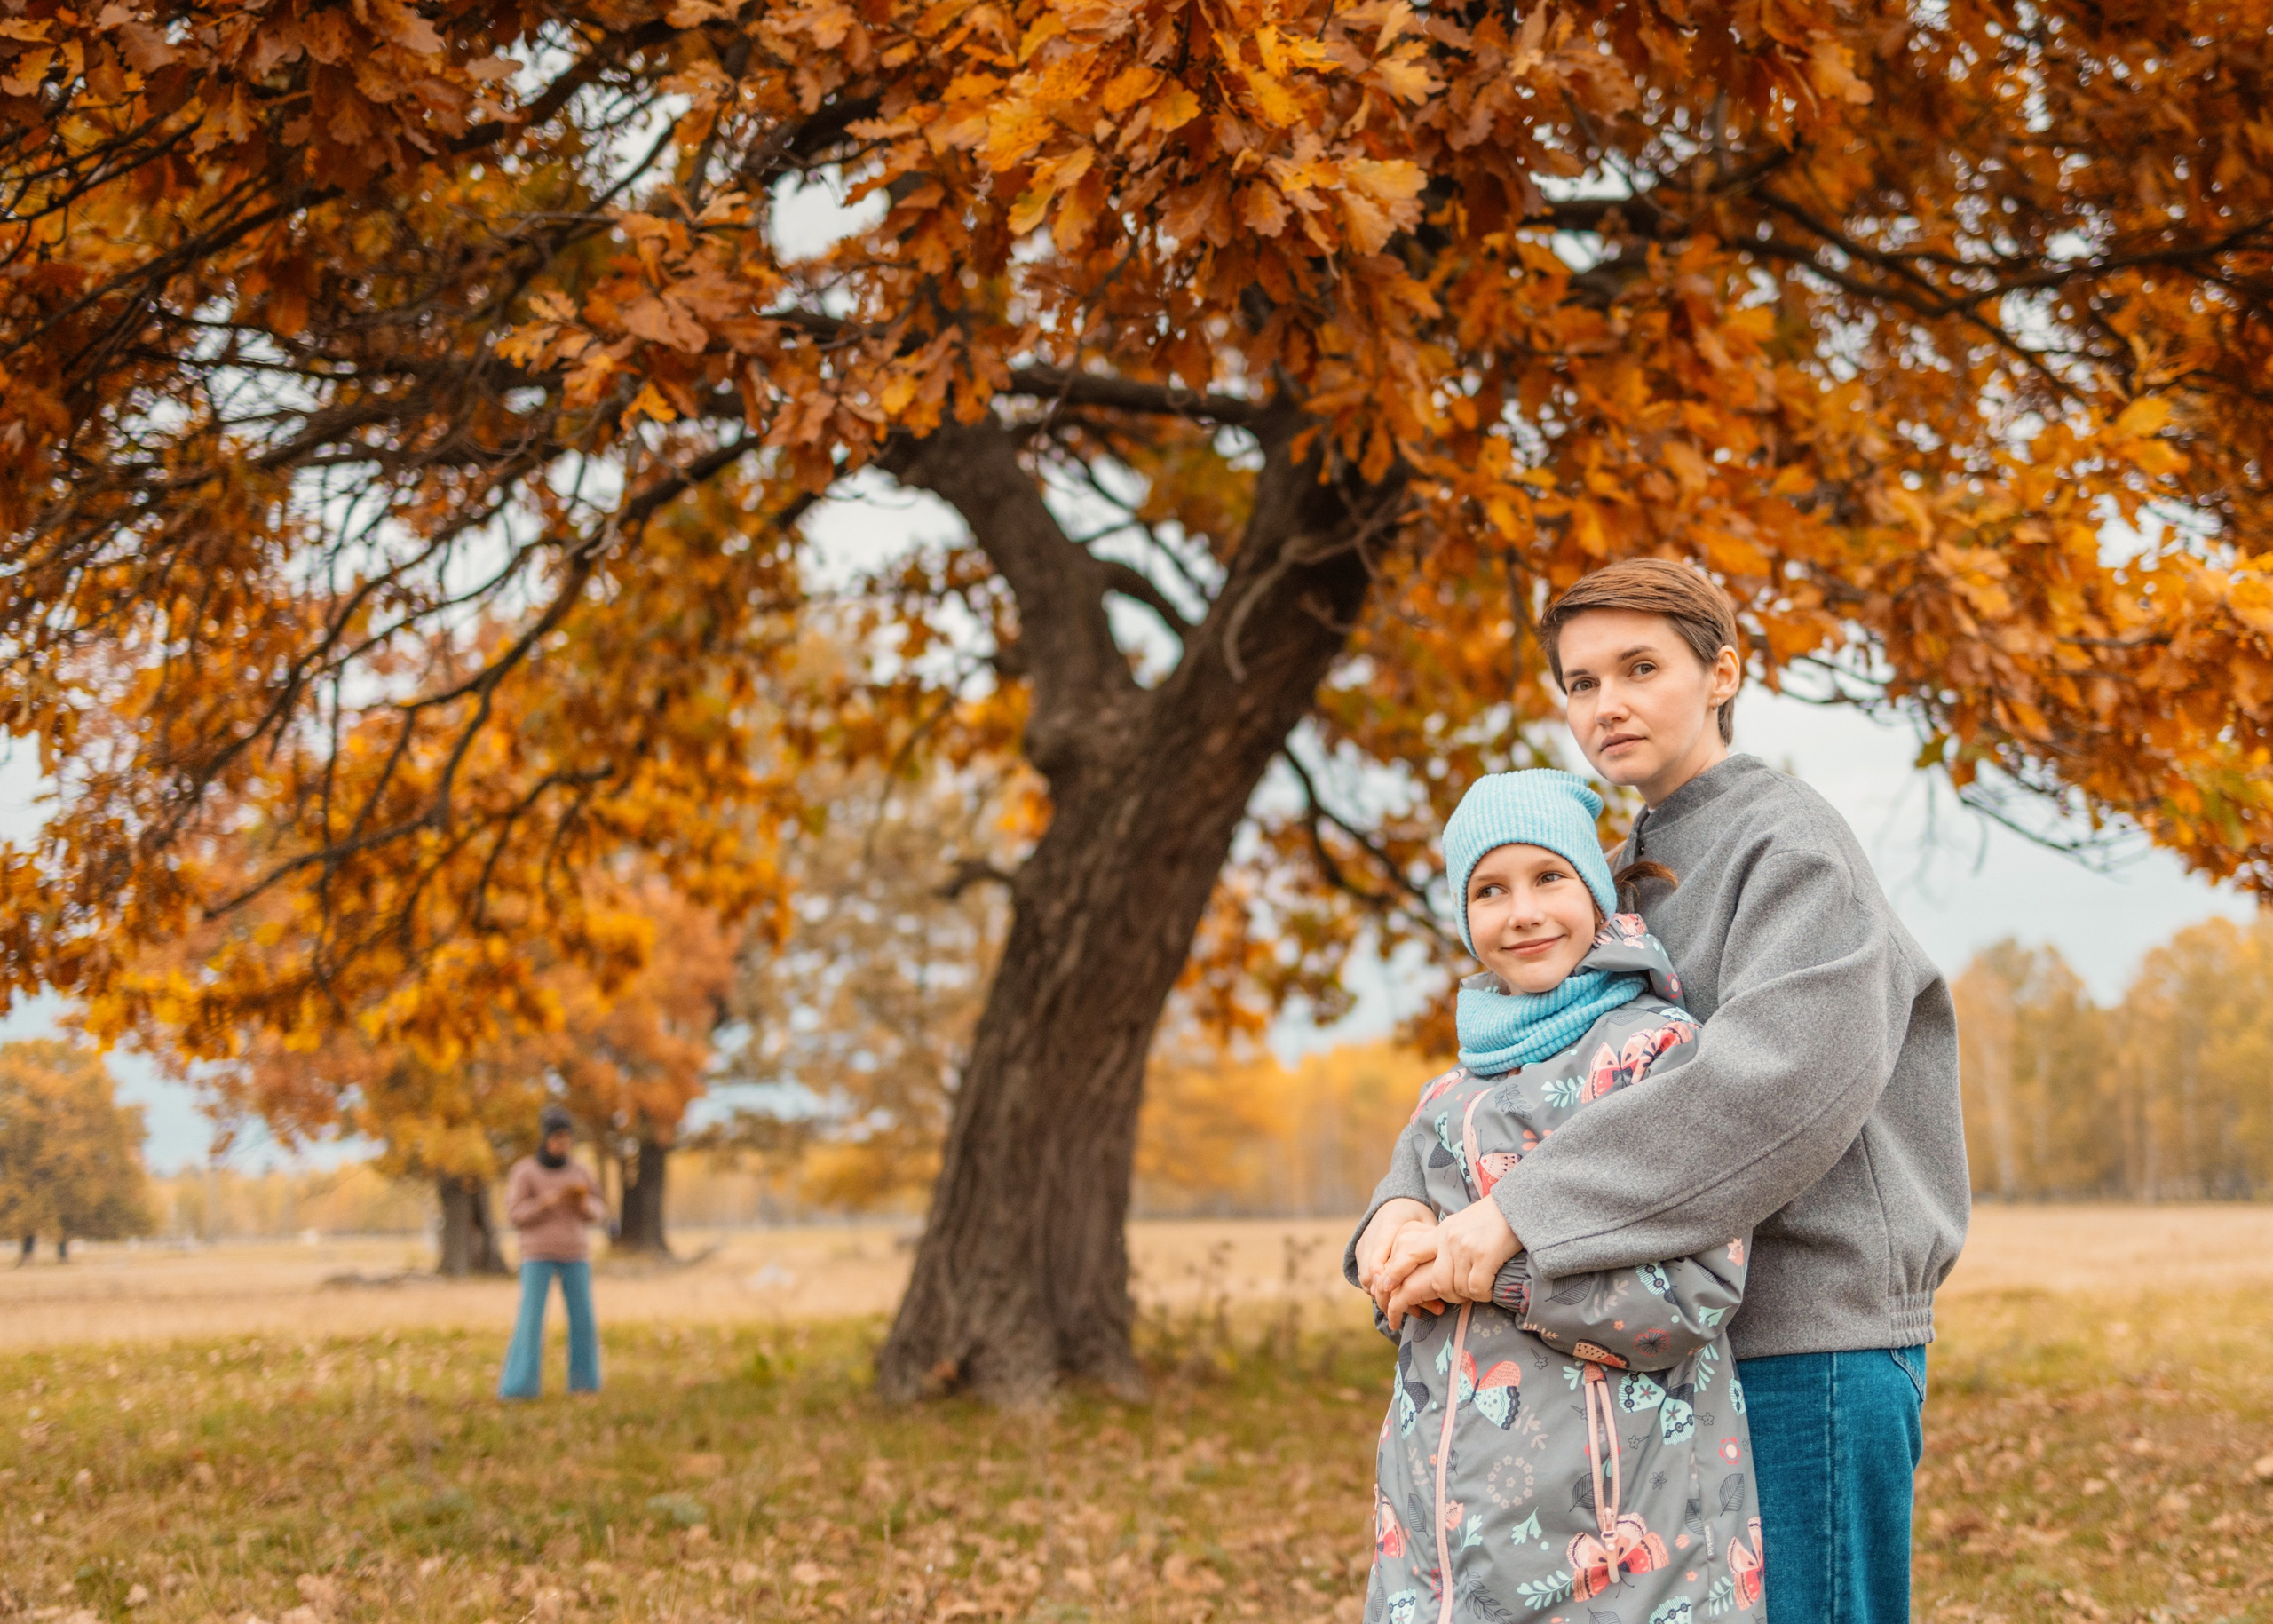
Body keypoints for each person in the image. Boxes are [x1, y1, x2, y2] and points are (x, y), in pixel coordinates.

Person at [1358, 559, 1968, 1624]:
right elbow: (1525, 1067)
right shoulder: (1610, 870)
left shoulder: (1789, 844)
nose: (1608, 703)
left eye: (1640, 668)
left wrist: (1516, 1214)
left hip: (1808, 1336)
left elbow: (1771, 1087)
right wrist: (1403, 1196)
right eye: (1582, 681)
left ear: (1721, 673)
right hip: (1666, 1355)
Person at [1353, 767, 1762, 1624]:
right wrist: (1389, 1251)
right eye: (1490, 889)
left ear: (1597, 893)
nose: (1523, 911)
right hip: (1444, 1554)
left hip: (1621, 1549)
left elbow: (1692, 1293)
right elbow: (1411, 1299)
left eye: (1549, 877)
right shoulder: (1450, 1093)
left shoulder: (1658, 1057)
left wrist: (1495, 1274)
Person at [499, 1104, 608, 1399]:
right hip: (537, 1254)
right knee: (530, 1321)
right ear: (546, 1138)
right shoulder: (525, 1171)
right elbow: (514, 1213)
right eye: (558, 1138)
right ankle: (520, 1387)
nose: (563, 1144)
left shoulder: (579, 1171)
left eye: (567, 1138)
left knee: (583, 1320)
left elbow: (599, 1208)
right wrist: (543, 1203)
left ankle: (585, 1383)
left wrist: (583, 1205)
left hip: (575, 1253)